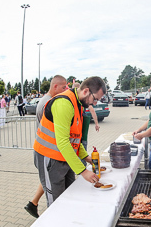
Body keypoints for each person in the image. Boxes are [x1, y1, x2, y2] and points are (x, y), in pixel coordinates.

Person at [33, 77, 105, 206]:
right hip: (49, 158)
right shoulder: (64, 103)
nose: (94, 104)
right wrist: (83, 171)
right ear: (86, 91)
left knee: (70, 194)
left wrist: (85, 157)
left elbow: (75, 137)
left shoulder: (78, 103)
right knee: (56, 202)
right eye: (95, 99)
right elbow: (63, 142)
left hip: (65, 156)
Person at [24, 75, 68, 218]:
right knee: (50, 186)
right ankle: (45, 213)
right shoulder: (47, 103)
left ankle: (33, 203)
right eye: (63, 87)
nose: (65, 90)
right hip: (47, 153)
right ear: (55, 86)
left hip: (50, 152)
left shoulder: (49, 101)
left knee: (48, 182)